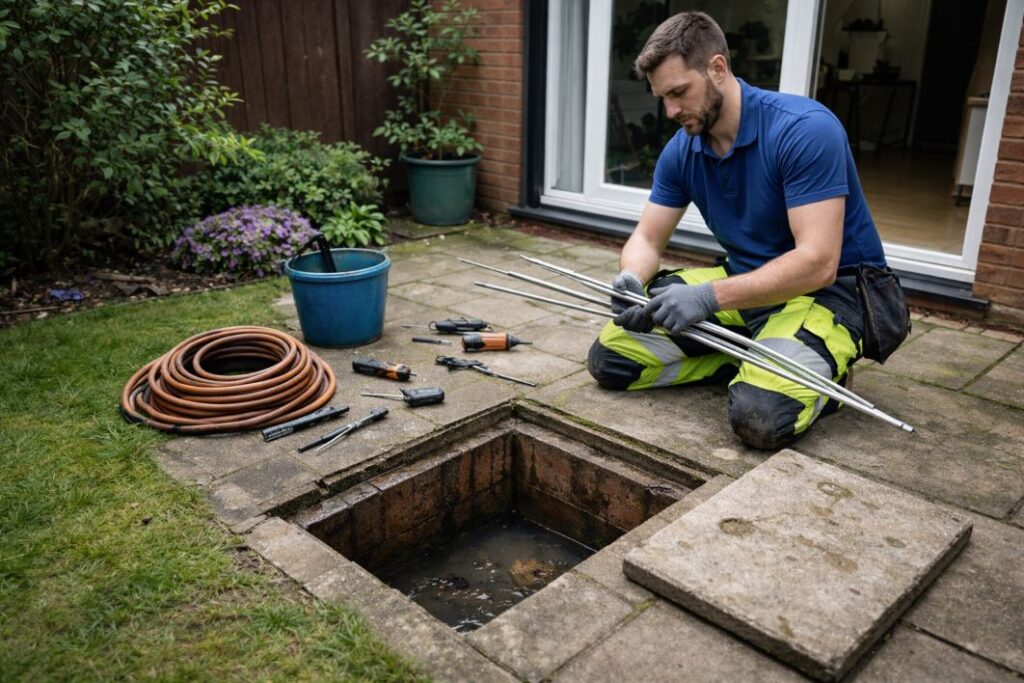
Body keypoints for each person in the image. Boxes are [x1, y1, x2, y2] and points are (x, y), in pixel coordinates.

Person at [587, 11, 893, 450]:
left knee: (759, 417)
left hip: (831, 294)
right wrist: (632, 279)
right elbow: (648, 239)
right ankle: (756, 352)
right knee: (613, 358)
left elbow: (819, 263)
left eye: (678, 93)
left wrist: (706, 298)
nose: (670, 111)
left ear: (717, 69)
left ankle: (818, 372)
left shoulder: (804, 130)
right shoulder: (683, 149)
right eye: (662, 98)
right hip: (749, 285)